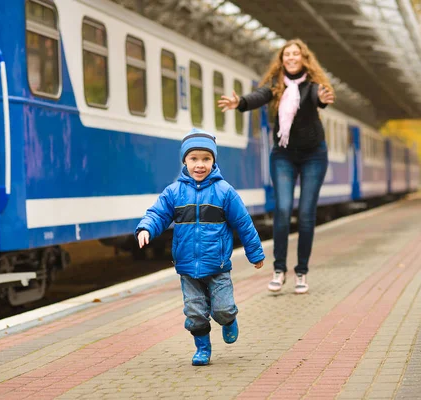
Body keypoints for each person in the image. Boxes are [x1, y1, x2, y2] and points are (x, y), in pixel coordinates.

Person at [135, 129, 265, 366]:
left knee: (223, 309)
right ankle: (202, 349)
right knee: (194, 314)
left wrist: (254, 253)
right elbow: (157, 214)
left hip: (218, 265)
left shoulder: (224, 191)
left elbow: (244, 224)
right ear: (184, 160)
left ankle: (228, 320)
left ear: (214, 161)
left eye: (206, 159)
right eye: (194, 159)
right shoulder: (173, 192)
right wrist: (146, 228)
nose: (200, 165)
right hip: (187, 267)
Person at [218, 38, 335, 295]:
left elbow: (320, 96)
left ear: (304, 59)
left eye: (296, 54)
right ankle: (279, 269)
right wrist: (240, 103)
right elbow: (259, 96)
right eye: (287, 55)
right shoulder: (276, 87)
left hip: (314, 155)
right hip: (283, 155)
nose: (291, 58)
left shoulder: (314, 87)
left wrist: (324, 99)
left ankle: (301, 272)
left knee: (306, 215)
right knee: (282, 210)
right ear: (282, 60)